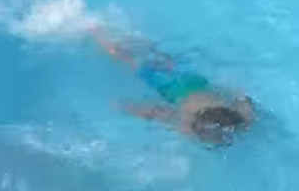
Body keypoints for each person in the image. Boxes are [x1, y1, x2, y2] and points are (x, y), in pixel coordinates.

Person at [92, 29, 254, 146]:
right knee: (131, 63)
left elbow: (242, 96)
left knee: (168, 62)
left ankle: (145, 44)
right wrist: (127, 107)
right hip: (169, 87)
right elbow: (155, 112)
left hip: (195, 81)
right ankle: (96, 33)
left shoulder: (243, 120)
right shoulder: (187, 124)